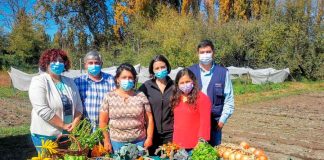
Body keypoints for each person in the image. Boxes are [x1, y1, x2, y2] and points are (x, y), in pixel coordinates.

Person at [29, 49, 83, 153]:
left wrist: (75, 123)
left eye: (61, 61)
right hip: (46, 135)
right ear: (46, 63)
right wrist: (63, 125)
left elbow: (79, 105)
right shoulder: (39, 81)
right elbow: (42, 109)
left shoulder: (70, 82)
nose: (58, 64)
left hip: (67, 133)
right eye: (54, 61)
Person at [99, 63, 154, 153]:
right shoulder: (109, 97)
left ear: (134, 79)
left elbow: (149, 119)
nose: (127, 80)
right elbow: (103, 122)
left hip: (139, 142)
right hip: (116, 142)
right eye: (124, 77)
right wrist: (106, 140)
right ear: (117, 79)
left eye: (130, 77)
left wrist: (149, 138)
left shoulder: (141, 96)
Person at [188, 39, 234, 146]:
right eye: (202, 52)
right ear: (197, 54)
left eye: (208, 52)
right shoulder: (189, 72)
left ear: (213, 53)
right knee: (193, 153)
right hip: (194, 123)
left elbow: (229, 99)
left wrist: (222, 121)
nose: (205, 55)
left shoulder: (223, 72)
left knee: (213, 153)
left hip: (215, 123)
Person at [138, 55, 174, 154]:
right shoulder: (146, 86)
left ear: (167, 67)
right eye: (157, 68)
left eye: (163, 67)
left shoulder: (174, 86)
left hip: (171, 133)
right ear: (152, 70)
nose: (160, 70)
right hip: (152, 134)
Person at [74, 51, 115, 130]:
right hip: (85, 127)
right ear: (85, 65)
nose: (94, 65)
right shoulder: (78, 82)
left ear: (101, 64)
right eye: (90, 63)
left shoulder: (111, 80)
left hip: (106, 127)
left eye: (96, 63)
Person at [171, 68, 211, 150]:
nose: (185, 85)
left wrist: (201, 142)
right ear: (177, 84)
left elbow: (205, 123)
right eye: (182, 83)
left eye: (187, 82)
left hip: (195, 146)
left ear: (193, 81)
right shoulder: (176, 98)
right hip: (177, 145)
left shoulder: (202, 98)